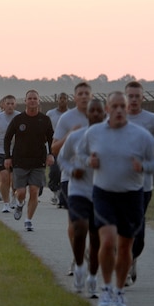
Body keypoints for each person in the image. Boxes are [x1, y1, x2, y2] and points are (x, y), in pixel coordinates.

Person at [78, 91, 154, 306]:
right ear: (107, 110)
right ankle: (106, 288)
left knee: (124, 247)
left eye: (123, 106)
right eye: (116, 106)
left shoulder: (141, 135)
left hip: (132, 195)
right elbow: (80, 155)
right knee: (108, 241)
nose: (120, 110)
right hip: (104, 193)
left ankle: (119, 291)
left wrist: (144, 167)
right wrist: (88, 161)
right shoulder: (94, 133)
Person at [58, 98, 105, 295]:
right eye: (91, 110)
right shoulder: (76, 136)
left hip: (101, 192)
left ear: (104, 114)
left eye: (98, 111)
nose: (94, 113)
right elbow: (62, 158)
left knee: (96, 238)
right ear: (87, 114)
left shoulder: (109, 138)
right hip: (78, 189)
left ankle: (93, 276)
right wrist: (72, 170)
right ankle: (79, 267)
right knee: (79, 228)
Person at [51, 82, 92, 274]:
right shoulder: (67, 118)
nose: (84, 96)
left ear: (91, 96)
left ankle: (89, 252)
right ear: (74, 98)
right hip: (71, 177)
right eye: (80, 93)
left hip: (97, 178)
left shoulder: (101, 117)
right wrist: (69, 135)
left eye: (87, 93)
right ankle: (77, 259)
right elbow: (54, 148)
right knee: (75, 223)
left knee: (95, 223)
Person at [124, 81, 154, 284]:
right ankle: (124, 261)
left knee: (137, 228)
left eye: (137, 96)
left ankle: (132, 258)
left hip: (143, 184)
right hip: (117, 184)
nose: (134, 100)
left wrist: (146, 165)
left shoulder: (152, 120)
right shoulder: (116, 118)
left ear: (143, 98)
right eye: (130, 96)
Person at [4, 90, 54, 231]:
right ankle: (20, 204)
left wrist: (51, 154)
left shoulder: (44, 120)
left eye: (35, 99)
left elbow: (51, 139)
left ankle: (28, 220)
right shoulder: (19, 119)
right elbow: (7, 138)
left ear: (39, 101)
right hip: (20, 160)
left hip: (38, 161)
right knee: (20, 192)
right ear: (25, 101)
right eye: (29, 98)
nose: (32, 101)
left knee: (34, 191)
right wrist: (8, 157)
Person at [46, 93, 69, 206]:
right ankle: (55, 191)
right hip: (54, 145)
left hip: (67, 147)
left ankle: (62, 194)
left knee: (64, 171)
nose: (62, 101)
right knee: (55, 171)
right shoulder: (51, 114)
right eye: (60, 98)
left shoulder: (70, 115)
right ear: (57, 100)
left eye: (64, 99)